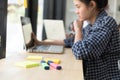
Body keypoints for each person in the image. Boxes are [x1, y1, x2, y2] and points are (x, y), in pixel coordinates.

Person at [71, 0, 120, 80]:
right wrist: (46, 42)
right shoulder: (91, 25)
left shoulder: (106, 23)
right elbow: (72, 41)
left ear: (92, 4)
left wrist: (78, 30)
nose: (76, 11)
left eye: (78, 7)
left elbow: (80, 52)